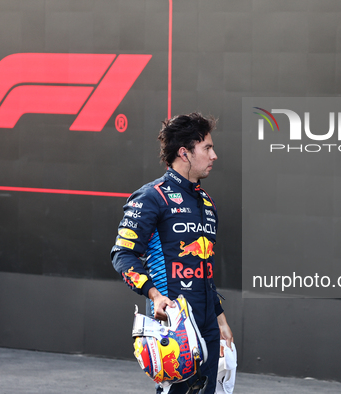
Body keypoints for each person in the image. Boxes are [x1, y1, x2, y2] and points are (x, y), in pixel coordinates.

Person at [111, 112, 233, 394]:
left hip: (208, 325)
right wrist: (153, 294)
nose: (214, 155)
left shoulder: (206, 202)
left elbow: (204, 269)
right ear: (184, 153)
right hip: (174, 324)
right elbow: (122, 254)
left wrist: (221, 320)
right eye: (207, 148)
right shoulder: (151, 196)